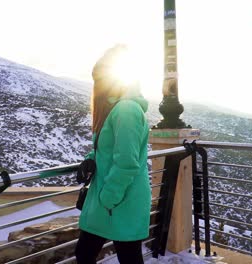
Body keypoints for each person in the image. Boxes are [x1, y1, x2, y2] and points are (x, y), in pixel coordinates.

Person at [75, 45, 150, 264]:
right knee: (87, 253)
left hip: (119, 198)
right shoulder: (117, 108)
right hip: (113, 198)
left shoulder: (126, 110)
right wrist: (91, 159)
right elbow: (108, 147)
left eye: (99, 78)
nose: (97, 84)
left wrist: (108, 198)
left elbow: (127, 162)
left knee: (126, 257)